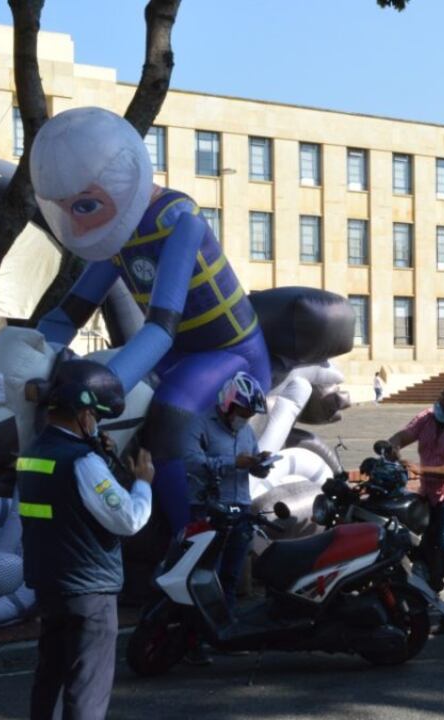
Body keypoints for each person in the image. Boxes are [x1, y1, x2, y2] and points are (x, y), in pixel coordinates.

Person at [31, 108, 271, 539]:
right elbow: (69, 313)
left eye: (85, 206)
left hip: (230, 352)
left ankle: (186, 537)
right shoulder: (117, 236)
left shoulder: (178, 221)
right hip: (178, 352)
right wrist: (26, 354)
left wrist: (105, 387)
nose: (79, 222)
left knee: (168, 410)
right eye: (68, 209)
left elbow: (161, 324)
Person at [18, 360, 153, 720]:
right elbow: (128, 519)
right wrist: (143, 483)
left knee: (50, 676)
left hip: (49, 584)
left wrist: (99, 454)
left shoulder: (32, 453)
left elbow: (63, 505)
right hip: (89, 590)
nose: (96, 423)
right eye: (96, 416)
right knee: (87, 687)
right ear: (84, 414)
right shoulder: (83, 462)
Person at [386, 384, 444, 633]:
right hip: (427, 493)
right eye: (440, 402)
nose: (440, 410)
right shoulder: (428, 417)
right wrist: (392, 446)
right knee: (407, 537)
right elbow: (403, 435)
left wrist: (421, 470)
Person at [179, 372, 272, 609]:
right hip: (209, 509)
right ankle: (198, 623)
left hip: (241, 509)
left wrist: (260, 464)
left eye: (250, 415)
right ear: (228, 403)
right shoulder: (199, 423)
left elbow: (253, 468)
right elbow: (190, 461)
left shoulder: (247, 431)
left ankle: (226, 619)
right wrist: (233, 462)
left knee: (231, 575)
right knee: (204, 572)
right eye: (243, 412)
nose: (246, 418)